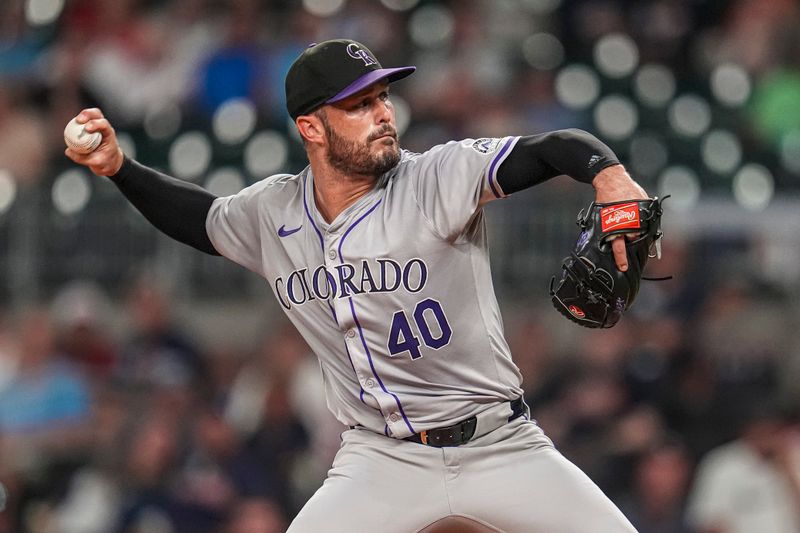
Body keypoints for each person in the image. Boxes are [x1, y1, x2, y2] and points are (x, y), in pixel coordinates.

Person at [66, 39, 648, 532]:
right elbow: (200, 219)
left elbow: (547, 149)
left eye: (383, 97)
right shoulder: (275, 211)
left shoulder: (432, 178)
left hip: (500, 443)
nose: (384, 113)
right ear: (310, 127)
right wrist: (121, 169)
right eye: (360, 104)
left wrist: (607, 172)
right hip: (380, 458)